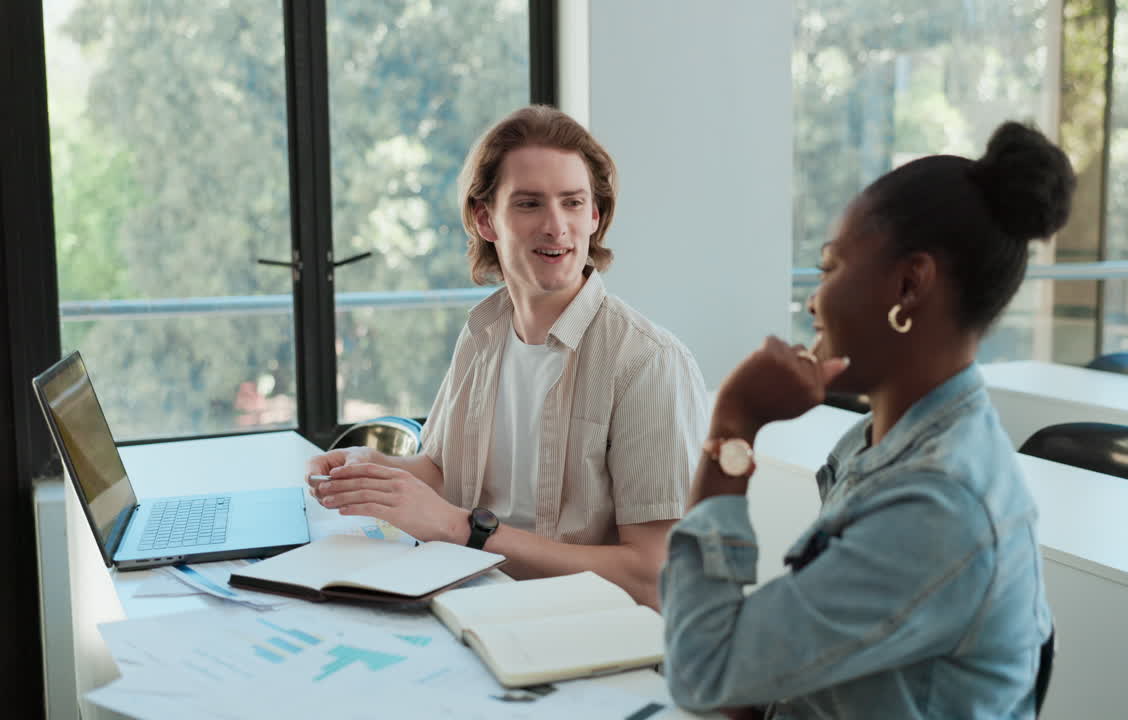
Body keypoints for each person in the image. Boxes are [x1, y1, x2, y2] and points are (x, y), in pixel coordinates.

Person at [660, 121, 1074, 718]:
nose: (813, 300)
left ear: (909, 285)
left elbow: (704, 671)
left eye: (830, 268)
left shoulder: (940, 502)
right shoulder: (877, 442)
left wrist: (734, 423)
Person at [308, 106, 709, 610]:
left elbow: (653, 577)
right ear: (485, 219)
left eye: (572, 202)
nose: (556, 226)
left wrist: (463, 530)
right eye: (529, 204)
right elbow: (445, 470)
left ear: (594, 216)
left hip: (579, 624)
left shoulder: (648, 362)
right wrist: (374, 471)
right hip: (469, 596)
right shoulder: (483, 333)